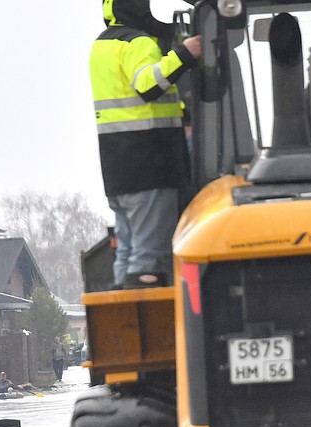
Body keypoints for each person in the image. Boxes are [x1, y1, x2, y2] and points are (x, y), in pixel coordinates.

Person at [91, 0, 203, 289]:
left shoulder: (101, 47)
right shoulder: (138, 43)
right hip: (151, 163)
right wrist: (184, 54)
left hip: (118, 167)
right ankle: (149, 311)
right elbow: (147, 85)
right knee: (149, 259)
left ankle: (124, 312)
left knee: (126, 252)